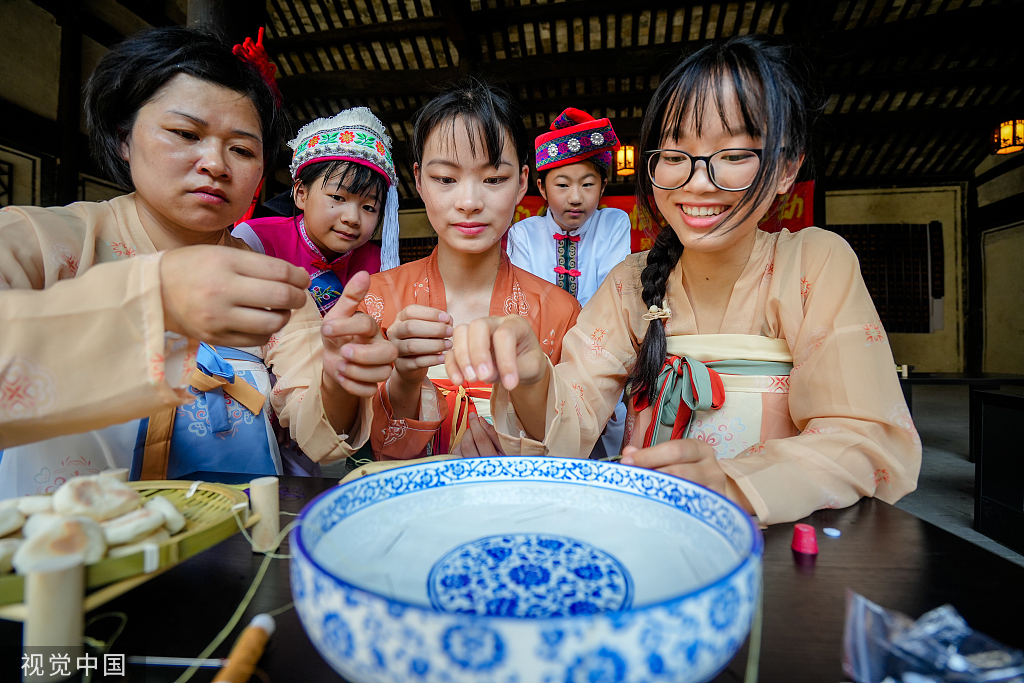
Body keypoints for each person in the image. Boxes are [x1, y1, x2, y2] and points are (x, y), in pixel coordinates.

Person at [442, 35, 922, 525]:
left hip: (777, 551)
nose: (697, 182)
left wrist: (734, 486)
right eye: (674, 156)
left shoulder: (815, 264)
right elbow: (575, 418)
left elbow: (863, 438)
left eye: (733, 155)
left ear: (786, 167)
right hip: (651, 538)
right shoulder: (631, 282)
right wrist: (532, 375)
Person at [0, 27, 395, 497]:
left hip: (233, 542)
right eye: (186, 133)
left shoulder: (268, 280)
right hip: (66, 554)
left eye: (242, 149)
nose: (215, 163)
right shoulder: (40, 240)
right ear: (125, 138)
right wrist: (157, 297)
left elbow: (317, 431)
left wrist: (338, 377)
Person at [360, 78, 581, 460]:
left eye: (494, 179)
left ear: (522, 182)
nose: (469, 201)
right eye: (445, 179)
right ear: (418, 181)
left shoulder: (560, 314)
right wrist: (404, 380)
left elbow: (576, 443)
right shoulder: (376, 300)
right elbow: (349, 441)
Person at [506, 108, 633, 458]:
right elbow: (529, 301)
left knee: (608, 437)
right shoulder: (524, 233)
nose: (575, 197)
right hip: (541, 352)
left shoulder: (614, 224)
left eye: (588, 184)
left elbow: (613, 292)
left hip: (601, 351)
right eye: (562, 185)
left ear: (604, 186)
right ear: (542, 188)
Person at [232, 107, 400, 317]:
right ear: (301, 193)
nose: (352, 218)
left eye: (368, 207)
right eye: (338, 198)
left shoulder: (378, 263)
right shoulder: (256, 240)